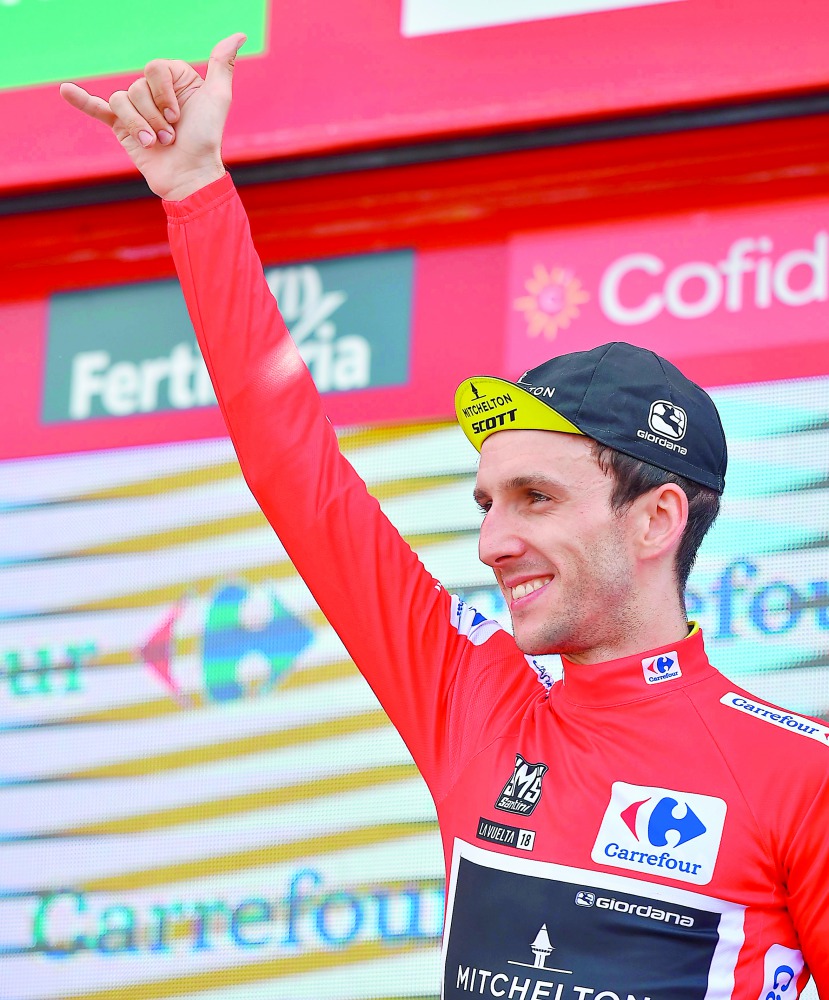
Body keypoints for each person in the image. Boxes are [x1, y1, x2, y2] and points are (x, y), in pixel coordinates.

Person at [62, 36, 828, 998]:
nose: (492, 541)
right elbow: (293, 467)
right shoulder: (476, 698)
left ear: (656, 518)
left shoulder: (796, 775)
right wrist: (197, 196)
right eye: (486, 502)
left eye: (536, 498)